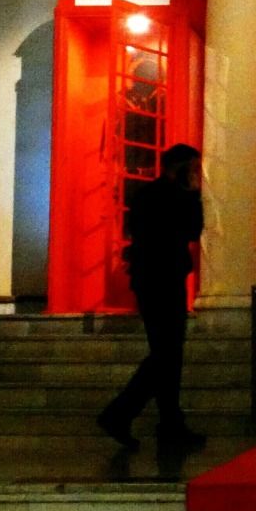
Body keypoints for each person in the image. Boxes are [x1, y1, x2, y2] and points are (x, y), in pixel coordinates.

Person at [98, 143, 205, 452]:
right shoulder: (175, 197)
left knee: (167, 354)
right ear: (179, 168)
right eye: (193, 168)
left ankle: (168, 423)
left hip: (150, 280)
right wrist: (194, 195)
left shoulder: (145, 195)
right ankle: (121, 413)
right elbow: (192, 231)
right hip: (164, 281)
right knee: (167, 354)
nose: (197, 174)